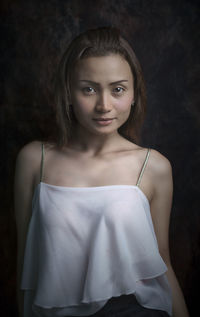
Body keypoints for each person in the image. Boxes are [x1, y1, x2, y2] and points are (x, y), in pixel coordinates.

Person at [14, 27, 190, 317]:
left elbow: (162, 262)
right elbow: (24, 262)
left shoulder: (153, 166)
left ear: (134, 94)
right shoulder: (34, 160)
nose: (104, 105)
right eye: (89, 88)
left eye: (118, 89)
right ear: (68, 93)